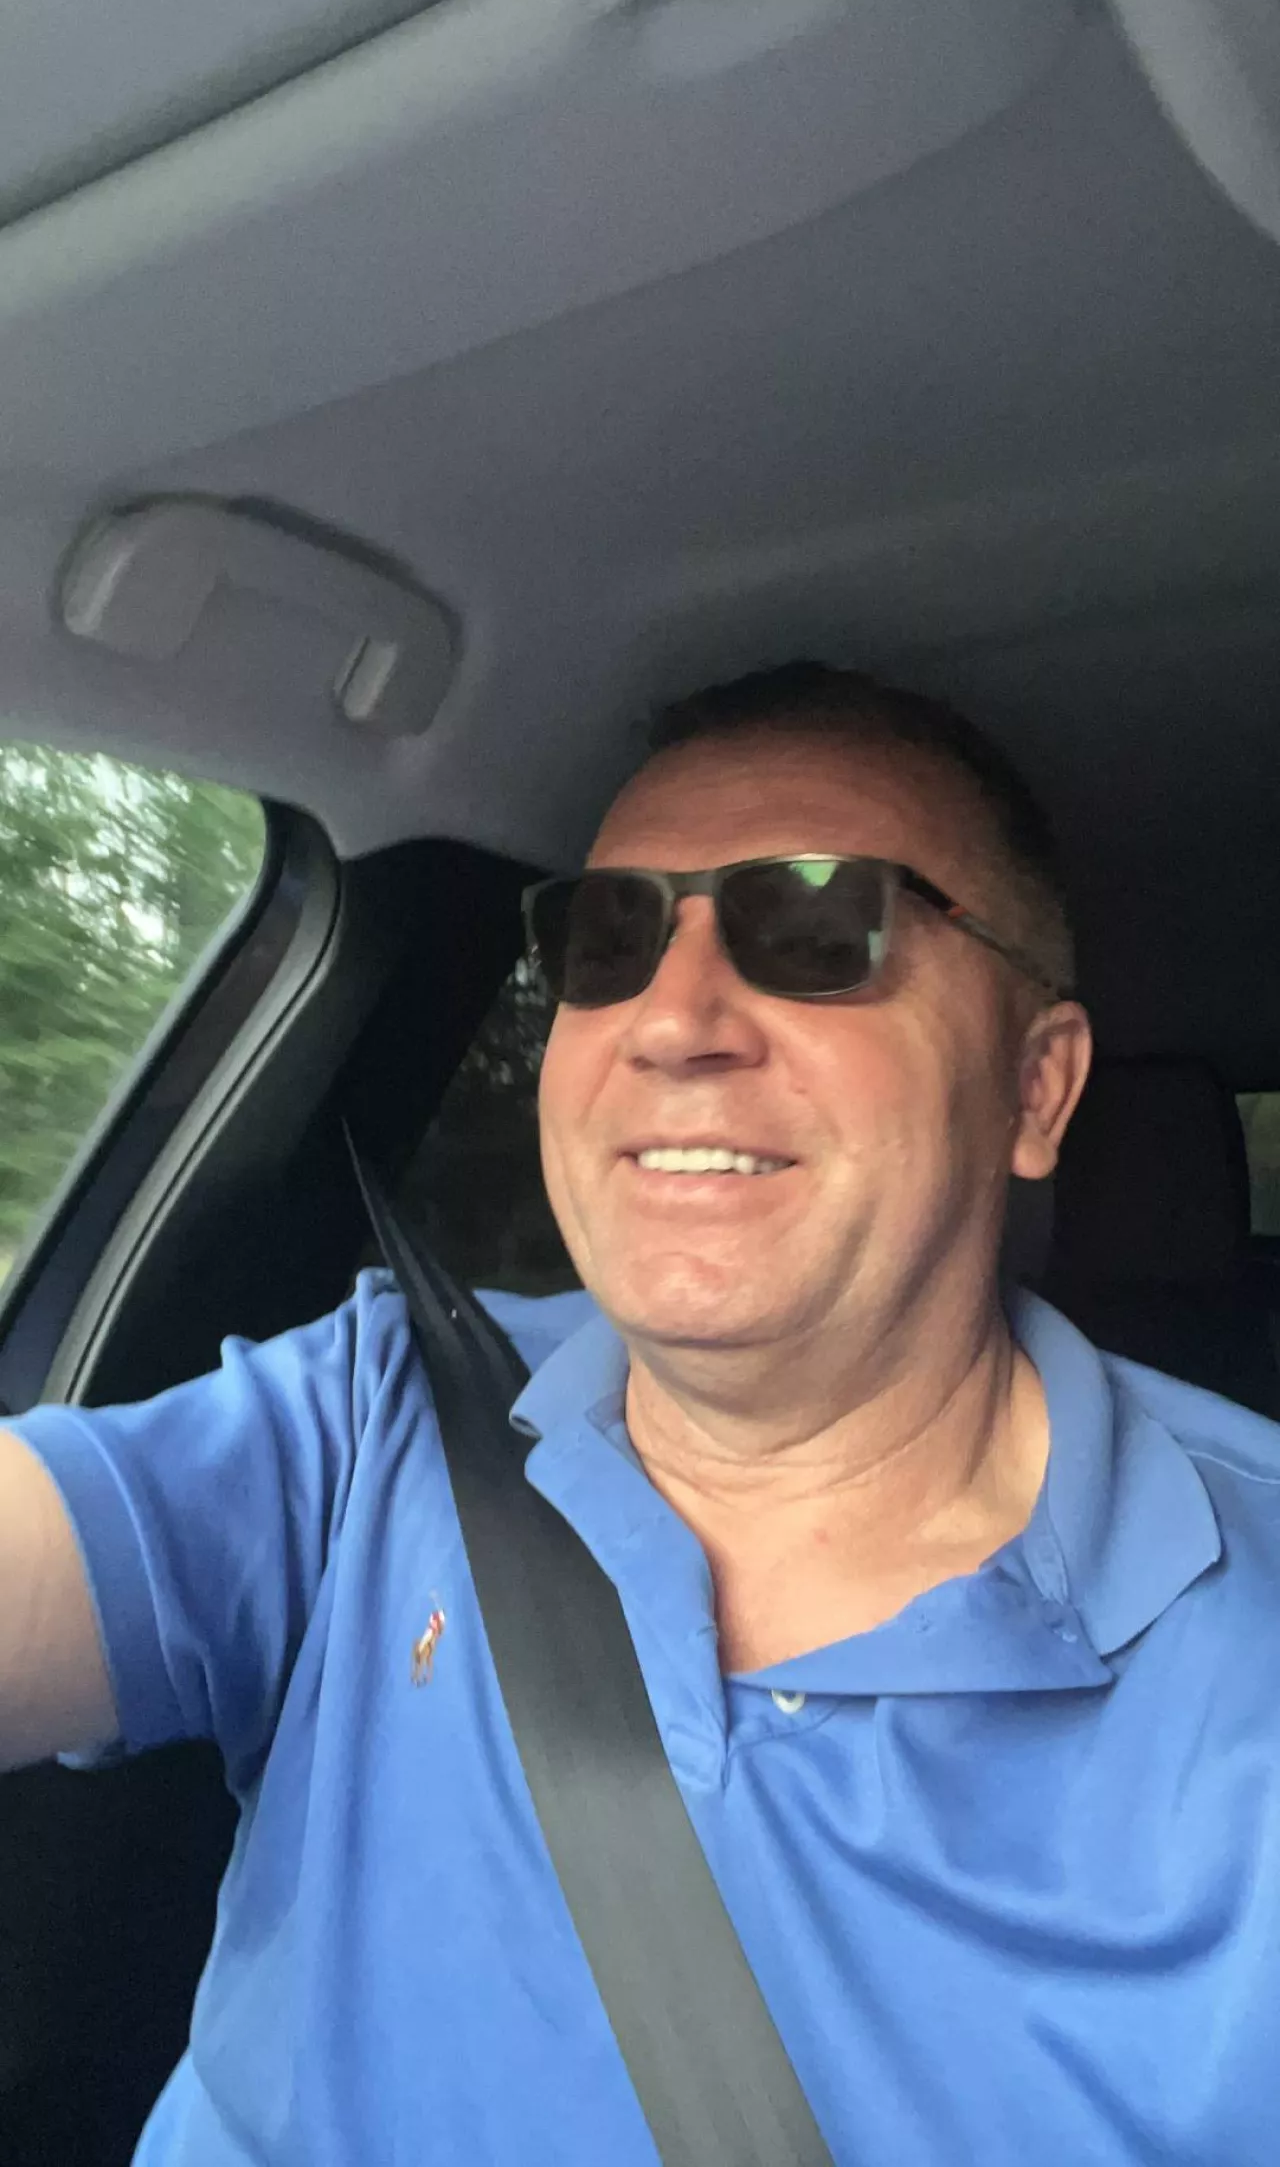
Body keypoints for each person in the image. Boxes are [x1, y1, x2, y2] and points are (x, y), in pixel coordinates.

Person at [2, 660, 1279, 2165]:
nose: (672, 1020)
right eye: (605, 940)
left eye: (817, 925)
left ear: (1036, 1088)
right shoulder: (376, 1414)